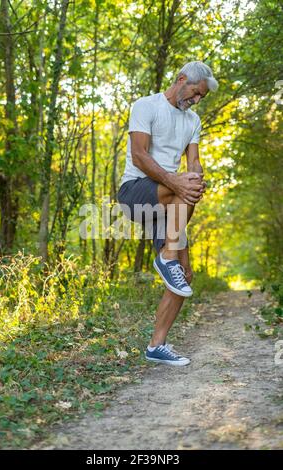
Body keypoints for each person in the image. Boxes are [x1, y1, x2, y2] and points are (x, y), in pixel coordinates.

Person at [117, 61, 218, 366]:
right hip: (135, 193)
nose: (196, 100)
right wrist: (178, 180)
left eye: (201, 98)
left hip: (170, 202)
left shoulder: (193, 121)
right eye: (195, 93)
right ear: (182, 79)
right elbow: (140, 154)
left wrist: (196, 175)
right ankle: (167, 257)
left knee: (184, 277)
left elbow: (194, 159)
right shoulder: (146, 106)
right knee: (183, 183)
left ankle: (156, 346)